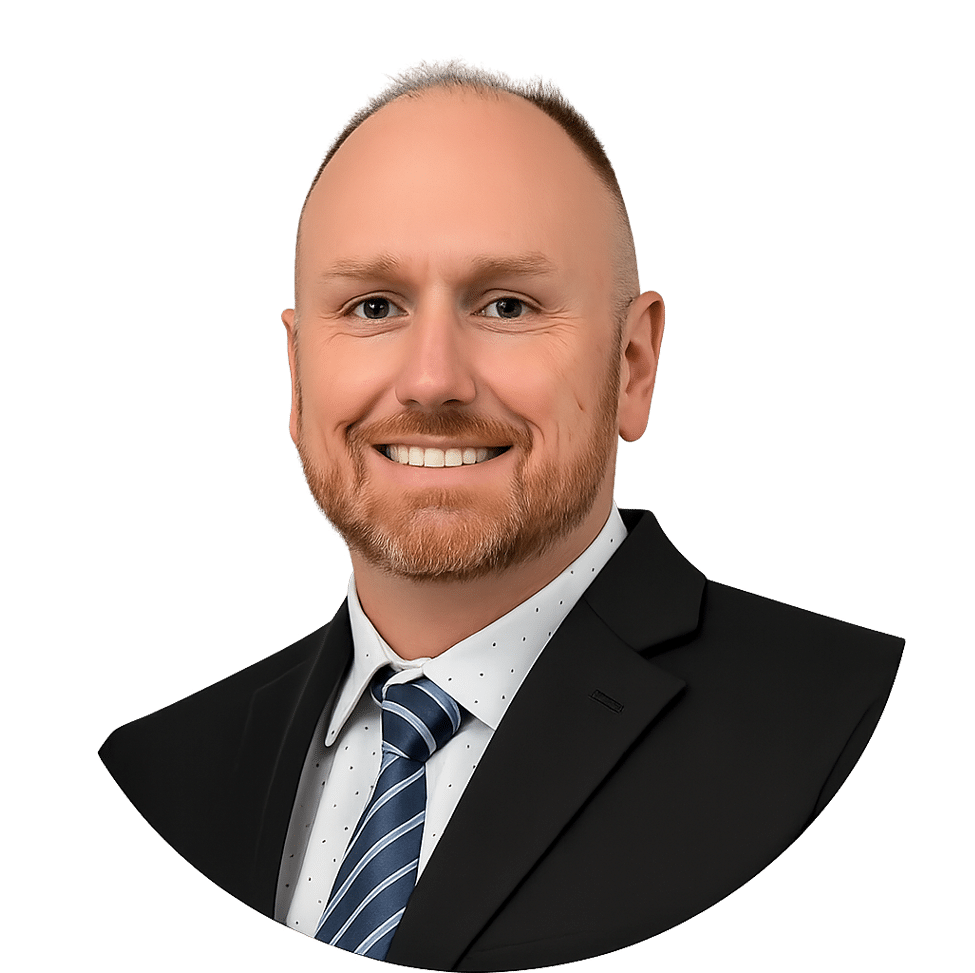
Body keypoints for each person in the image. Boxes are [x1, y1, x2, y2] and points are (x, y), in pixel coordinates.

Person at [99, 56, 904, 971]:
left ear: (633, 365)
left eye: (508, 304)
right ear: (296, 374)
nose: (432, 378)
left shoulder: (859, 733)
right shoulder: (153, 777)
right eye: (372, 306)